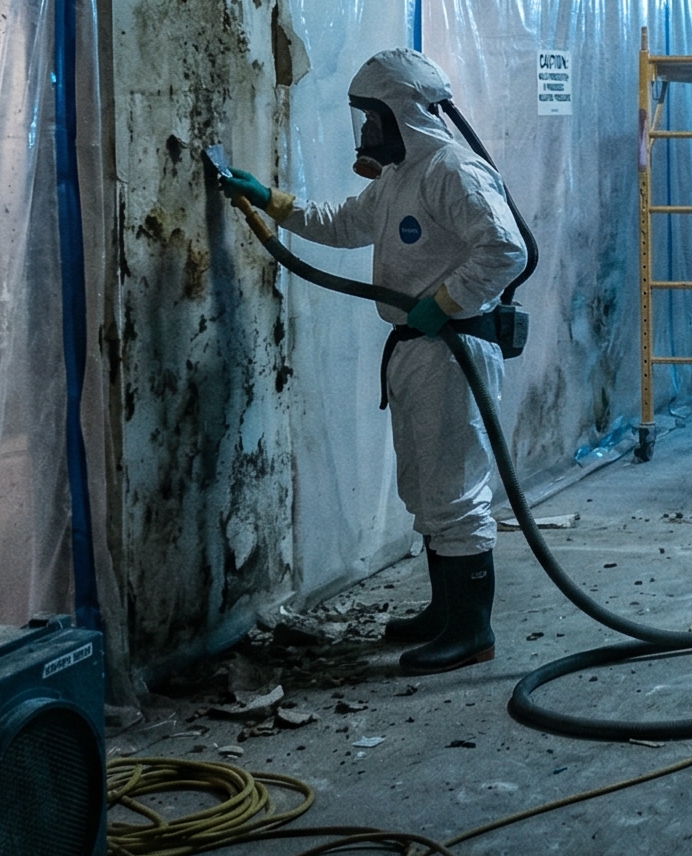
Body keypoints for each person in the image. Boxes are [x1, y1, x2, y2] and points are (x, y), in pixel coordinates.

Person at [218, 49, 528, 673]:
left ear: (401, 113)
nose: (365, 131)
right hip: (419, 349)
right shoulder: (397, 179)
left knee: (453, 492)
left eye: (371, 117)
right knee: (425, 487)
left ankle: (472, 631)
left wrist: (445, 302)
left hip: (455, 351)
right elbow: (341, 224)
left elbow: (506, 249)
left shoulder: (453, 171)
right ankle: (445, 613)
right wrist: (271, 200)